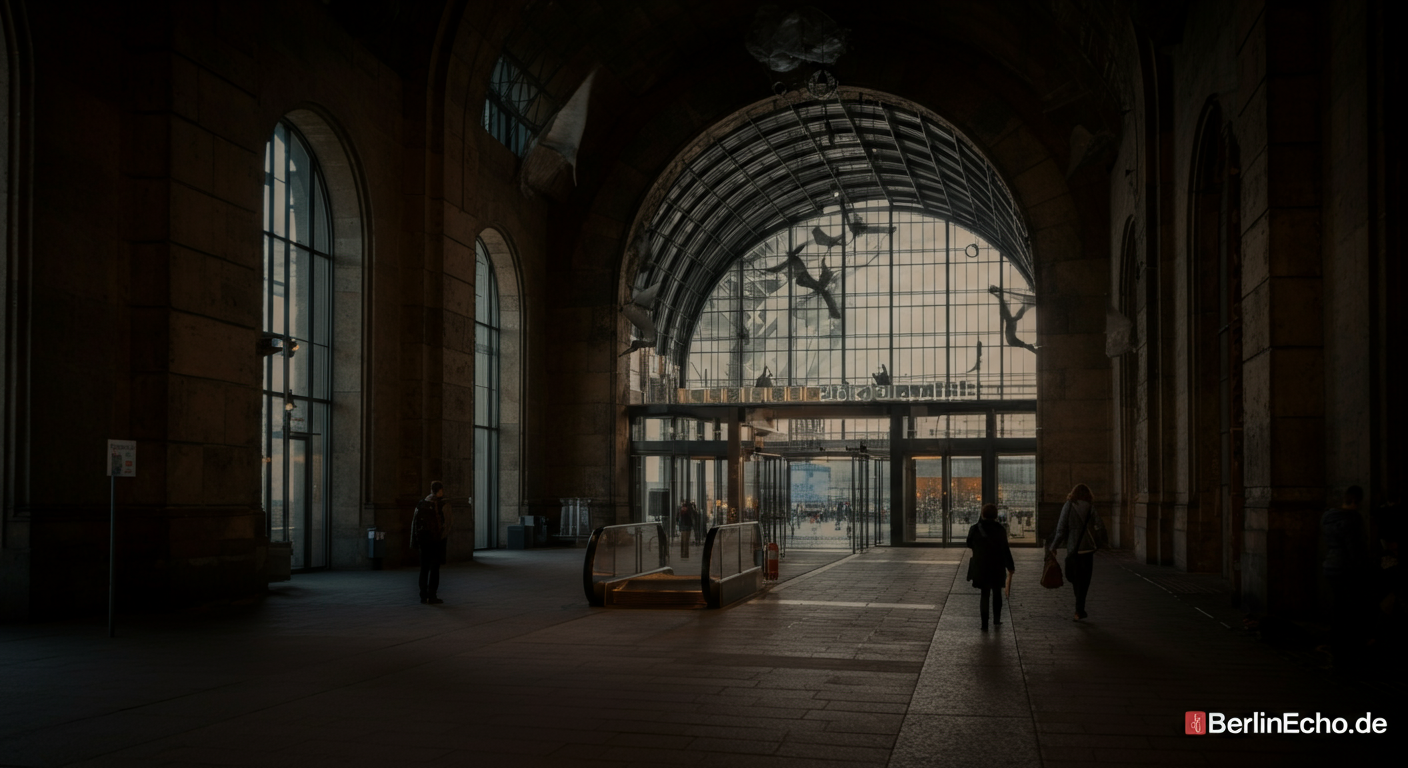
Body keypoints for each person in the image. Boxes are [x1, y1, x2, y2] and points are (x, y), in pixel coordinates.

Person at [1322, 485, 1368, 673]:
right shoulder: (1353, 519)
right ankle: (1347, 652)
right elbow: (1354, 549)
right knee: (1350, 610)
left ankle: (1335, 648)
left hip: (1331, 565)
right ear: (1357, 501)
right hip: (1346, 568)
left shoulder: (1328, 517)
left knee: (1339, 607)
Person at [1049, 483, 1098, 620]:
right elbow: (1099, 525)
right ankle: (1079, 609)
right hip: (1088, 549)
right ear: (1088, 494)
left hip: (1073, 549)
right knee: (1085, 581)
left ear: (1073, 493)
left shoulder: (1068, 506)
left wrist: (1054, 546)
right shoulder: (1091, 507)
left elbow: (1061, 530)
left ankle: (1079, 608)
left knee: (1073, 577)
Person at [967, 503, 1015, 631]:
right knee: (997, 592)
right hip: (997, 565)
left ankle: (984, 623)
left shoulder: (975, 528)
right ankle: (997, 620)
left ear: (982, 514)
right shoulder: (1000, 529)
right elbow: (1005, 549)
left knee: (984, 594)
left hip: (981, 565)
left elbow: (969, 543)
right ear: (995, 515)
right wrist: (1010, 566)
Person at [411, 481, 452, 605]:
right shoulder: (444, 505)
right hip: (436, 542)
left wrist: (415, 541)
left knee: (424, 569)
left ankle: (423, 596)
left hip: (424, 542)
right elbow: (448, 524)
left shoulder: (421, 504)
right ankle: (432, 596)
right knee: (435, 569)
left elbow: (414, 523)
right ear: (440, 491)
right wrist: (440, 538)